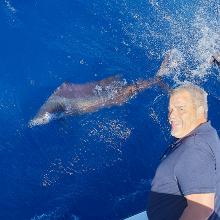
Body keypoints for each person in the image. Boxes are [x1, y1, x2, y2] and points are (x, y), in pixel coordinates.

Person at [147, 84, 220, 220]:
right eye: (171, 109)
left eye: (181, 109)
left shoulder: (194, 150)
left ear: (199, 112)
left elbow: (202, 209)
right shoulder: (206, 132)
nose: (171, 116)